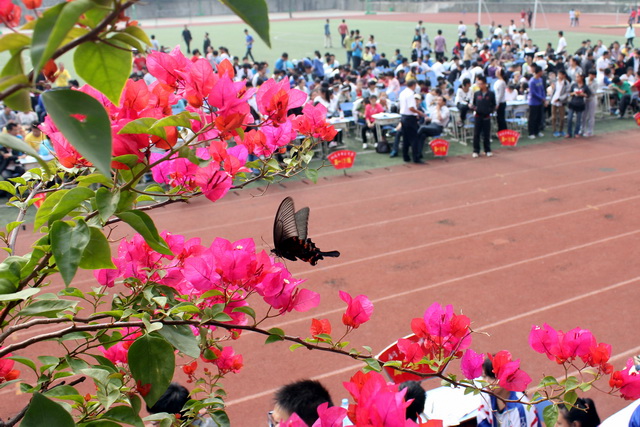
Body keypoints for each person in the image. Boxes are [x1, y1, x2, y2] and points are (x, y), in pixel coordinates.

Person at [477, 357, 539, 427]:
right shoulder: (488, 394)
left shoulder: (520, 409)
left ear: (507, 378)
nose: (486, 382)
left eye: (492, 378)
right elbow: (482, 421)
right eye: (484, 376)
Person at [399, 80, 426, 164]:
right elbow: (411, 108)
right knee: (414, 138)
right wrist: (419, 112)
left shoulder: (402, 93)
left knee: (406, 138)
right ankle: (416, 157)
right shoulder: (410, 94)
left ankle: (405, 156)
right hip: (410, 118)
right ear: (413, 85)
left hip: (403, 116)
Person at [471, 75, 496, 158]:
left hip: (486, 116)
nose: (479, 85)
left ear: (485, 84)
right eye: (478, 84)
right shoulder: (476, 94)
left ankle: (487, 150)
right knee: (476, 134)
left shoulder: (491, 94)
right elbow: (474, 104)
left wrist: (489, 110)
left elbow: (494, 105)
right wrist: (475, 108)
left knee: (486, 134)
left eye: (481, 84)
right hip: (478, 116)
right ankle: (476, 150)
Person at [566, 72, 590, 138]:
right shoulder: (574, 85)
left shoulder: (585, 86)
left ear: (582, 78)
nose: (576, 78)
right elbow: (569, 93)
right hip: (573, 103)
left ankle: (576, 132)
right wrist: (573, 93)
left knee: (578, 119)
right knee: (569, 118)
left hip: (580, 104)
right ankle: (569, 132)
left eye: (578, 77)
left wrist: (583, 94)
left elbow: (588, 94)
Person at [528, 64, 546, 139]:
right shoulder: (532, 81)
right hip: (533, 102)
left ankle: (537, 131)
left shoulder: (540, 79)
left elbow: (542, 89)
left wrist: (544, 97)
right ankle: (531, 132)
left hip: (540, 102)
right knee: (532, 118)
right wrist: (541, 98)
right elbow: (533, 92)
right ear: (539, 72)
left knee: (539, 117)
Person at [550, 69, 570, 137]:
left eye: (560, 74)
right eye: (558, 74)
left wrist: (560, 99)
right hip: (553, 101)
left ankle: (561, 130)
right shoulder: (555, 82)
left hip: (561, 102)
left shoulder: (566, 83)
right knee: (554, 117)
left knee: (562, 117)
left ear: (564, 75)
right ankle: (554, 130)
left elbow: (567, 93)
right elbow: (552, 91)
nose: (559, 76)